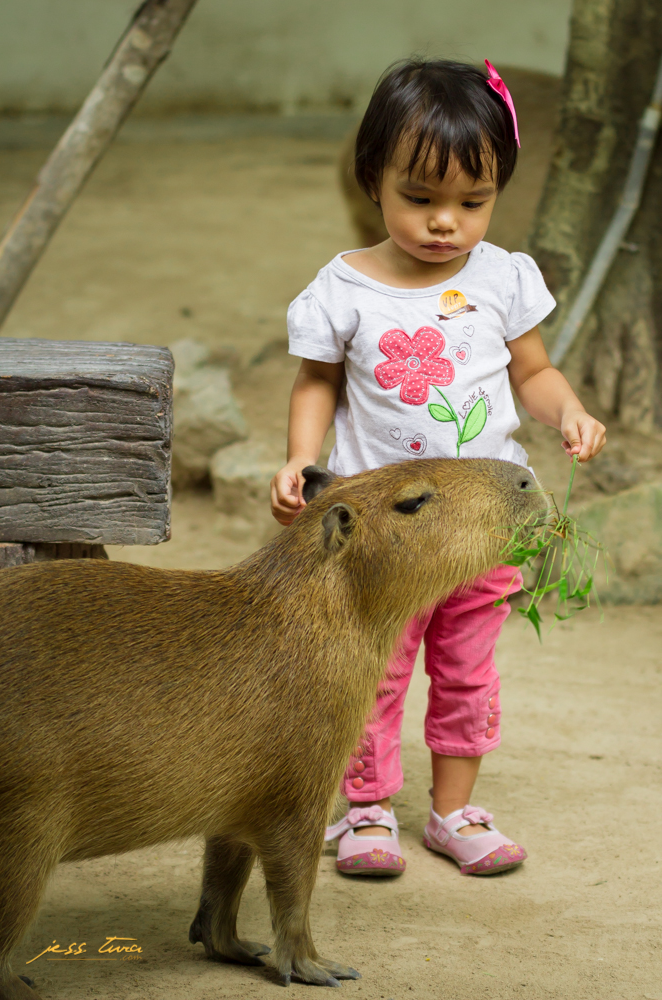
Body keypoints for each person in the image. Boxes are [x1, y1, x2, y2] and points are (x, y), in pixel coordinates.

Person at [270, 58, 606, 877]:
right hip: (381, 536)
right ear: (371, 182)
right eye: (419, 199)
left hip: (482, 528)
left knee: (466, 671)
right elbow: (316, 380)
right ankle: (366, 811)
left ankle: (454, 813)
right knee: (373, 670)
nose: (444, 223)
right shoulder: (343, 288)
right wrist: (300, 460)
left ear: (497, 190)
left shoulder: (503, 278)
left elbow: (530, 371)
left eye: (471, 201)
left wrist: (565, 410)